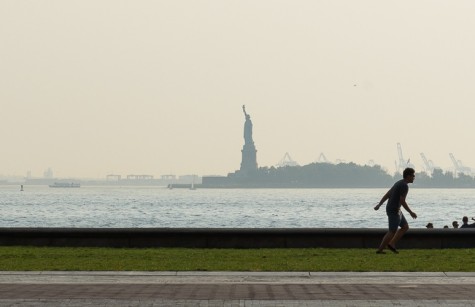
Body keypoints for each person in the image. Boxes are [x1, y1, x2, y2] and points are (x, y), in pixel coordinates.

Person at [374, 167, 417, 254]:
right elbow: (402, 200)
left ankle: (392, 244)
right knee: (392, 231)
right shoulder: (404, 185)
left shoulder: (399, 183)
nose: (414, 177)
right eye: (413, 176)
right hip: (394, 210)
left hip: (396, 209)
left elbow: (388, 194)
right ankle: (380, 250)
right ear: (408, 176)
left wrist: (379, 204)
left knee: (405, 227)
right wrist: (411, 212)